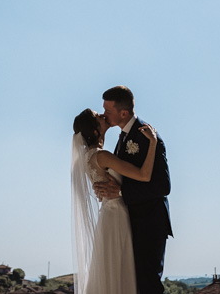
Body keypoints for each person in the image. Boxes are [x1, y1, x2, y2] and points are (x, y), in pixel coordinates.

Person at [71, 108, 157, 294]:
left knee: (111, 271)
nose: (104, 115)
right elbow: (144, 175)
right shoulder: (102, 156)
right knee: (119, 270)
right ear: (96, 131)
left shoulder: (86, 158)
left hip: (108, 215)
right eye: (99, 116)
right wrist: (153, 143)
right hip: (116, 215)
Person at [95, 86, 171, 294]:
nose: (104, 114)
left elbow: (163, 186)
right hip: (129, 222)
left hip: (149, 223)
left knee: (148, 285)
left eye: (108, 111)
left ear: (123, 113)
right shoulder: (122, 137)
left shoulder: (147, 136)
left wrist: (120, 193)